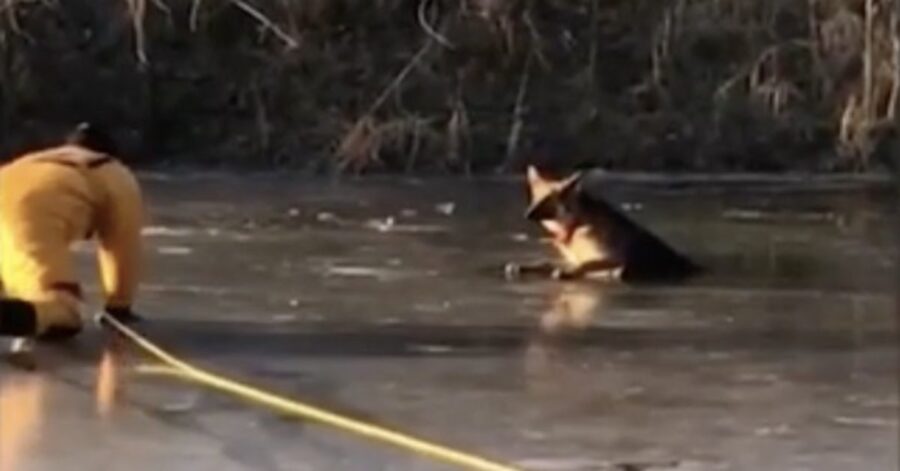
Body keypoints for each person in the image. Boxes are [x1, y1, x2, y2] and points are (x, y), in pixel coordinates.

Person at [0, 122, 144, 343]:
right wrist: (119, 306)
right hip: (29, 212)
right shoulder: (111, 169)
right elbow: (124, 244)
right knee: (62, 312)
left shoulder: (37, 160)